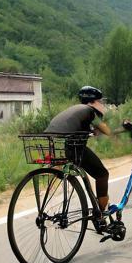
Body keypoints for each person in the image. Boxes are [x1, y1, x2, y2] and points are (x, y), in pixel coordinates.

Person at [44, 86, 112, 216]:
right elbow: (108, 131)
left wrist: (93, 131)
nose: (102, 105)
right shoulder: (91, 111)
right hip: (73, 148)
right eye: (101, 102)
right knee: (102, 174)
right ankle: (101, 215)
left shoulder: (76, 109)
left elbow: (80, 126)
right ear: (93, 102)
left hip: (55, 145)